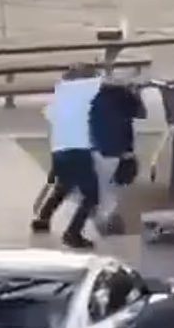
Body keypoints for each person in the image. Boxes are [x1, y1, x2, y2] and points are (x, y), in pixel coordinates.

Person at [30, 64, 102, 250]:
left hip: (60, 149)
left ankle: (43, 218)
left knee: (64, 185)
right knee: (91, 196)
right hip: (78, 150)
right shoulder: (86, 98)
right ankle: (73, 233)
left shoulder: (61, 100)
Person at [89, 77, 146, 235]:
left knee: (103, 190)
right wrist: (136, 94)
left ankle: (102, 220)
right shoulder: (126, 96)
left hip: (98, 149)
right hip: (119, 151)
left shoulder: (91, 96)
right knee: (112, 191)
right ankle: (108, 221)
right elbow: (141, 114)